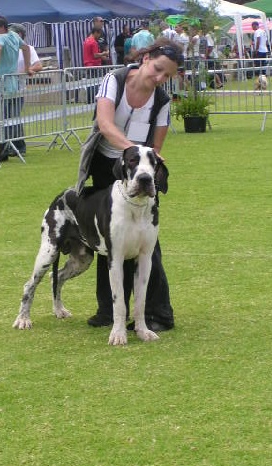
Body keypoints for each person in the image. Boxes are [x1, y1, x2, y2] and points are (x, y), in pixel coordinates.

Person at [76, 38, 184, 332]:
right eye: (158, 69)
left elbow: (156, 147)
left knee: (149, 242)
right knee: (109, 239)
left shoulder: (161, 101)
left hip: (141, 171)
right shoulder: (114, 80)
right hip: (107, 166)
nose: (160, 78)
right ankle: (109, 312)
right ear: (146, 58)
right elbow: (105, 124)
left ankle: (158, 313)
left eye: (167, 76)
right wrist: (131, 153)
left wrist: (145, 164)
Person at [0, 15, 32, 163]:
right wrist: (27, 67)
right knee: (9, 119)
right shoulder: (13, 35)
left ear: (2, 27)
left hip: (0, 85)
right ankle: (6, 149)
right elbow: (26, 48)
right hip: (12, 84)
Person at [8, 23, 42, 157]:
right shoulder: (5, 47)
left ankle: (19, 146)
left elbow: (38, 65)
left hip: (18, 87)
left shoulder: (28, 48)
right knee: (5, 116)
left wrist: (27, 70)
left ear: (20, 35)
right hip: (4, 86)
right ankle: (6, 145)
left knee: (14, 116)